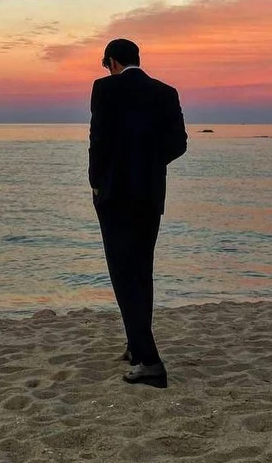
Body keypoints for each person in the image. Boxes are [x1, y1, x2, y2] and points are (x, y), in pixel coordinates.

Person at [89, 38, 187, 388]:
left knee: (123, 273)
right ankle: (135, 345)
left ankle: (150, 361)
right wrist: (148, 163)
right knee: (142, 272)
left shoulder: (105, 89)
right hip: (149, 193)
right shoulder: (165, 92)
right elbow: (179, 144)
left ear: (112, 62)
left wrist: (96, 182)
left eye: (106, 64)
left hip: (114, 194)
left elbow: (98, 140)